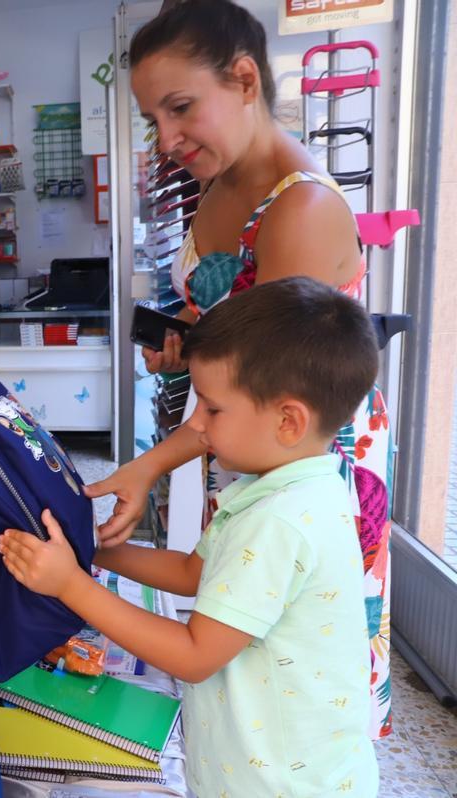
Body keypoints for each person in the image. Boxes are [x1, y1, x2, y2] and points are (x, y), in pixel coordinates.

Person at [84, 0, 393, 737]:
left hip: (297, 450)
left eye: (182, 107)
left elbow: (268, 377)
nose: (168, 137)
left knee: (294, 672)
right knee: (231, 614)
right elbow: (228, 333)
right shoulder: (218, 186)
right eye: (153, 118)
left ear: (246, 79)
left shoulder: (302, 209)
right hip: (236, 430)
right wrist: (185, 345)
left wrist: (148, 465)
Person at [0, 278, 380, 798]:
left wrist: (70, 584)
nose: (197, 425)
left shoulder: (280, 521)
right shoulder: (287, 486)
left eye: (213, 408)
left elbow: (195, 654)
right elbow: (191, 572)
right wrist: (90, 550)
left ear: (288, 420)